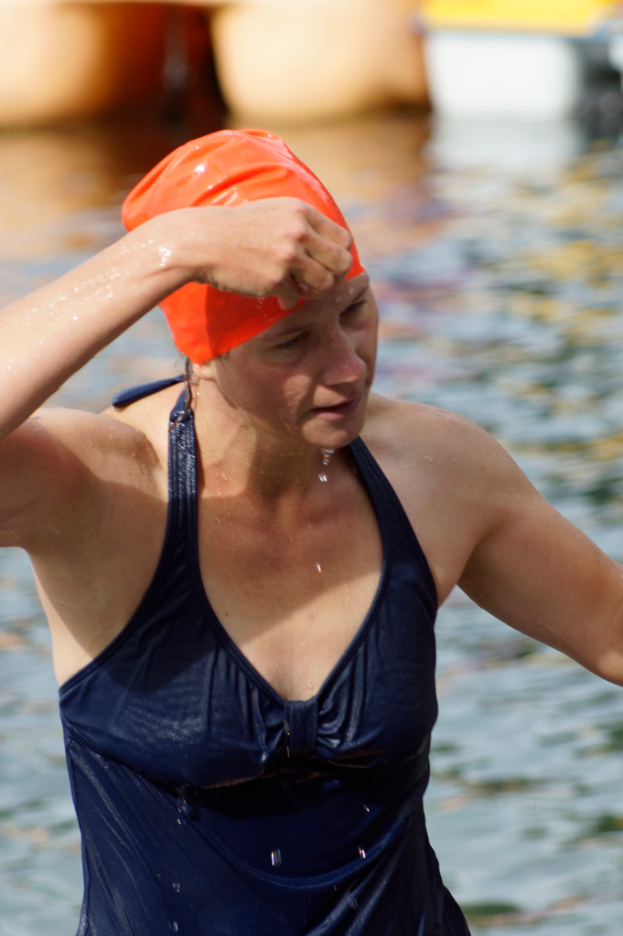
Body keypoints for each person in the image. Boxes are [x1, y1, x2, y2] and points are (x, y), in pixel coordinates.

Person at [0, 128, 621, 936]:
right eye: (291, 342)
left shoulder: (438, 472)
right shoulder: (102, 490)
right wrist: (169, 250)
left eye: (355, 311)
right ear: (203, 357)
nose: (348, 366)